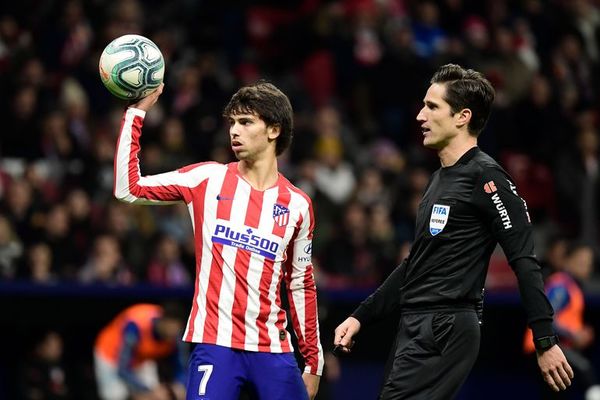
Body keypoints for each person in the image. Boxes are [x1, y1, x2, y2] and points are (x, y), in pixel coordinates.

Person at [333, 63, 573, 399]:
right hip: (415, 324)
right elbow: (416, 263)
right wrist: (361, 316)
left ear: (462, 117)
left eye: (432, 107)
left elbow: (524, 261)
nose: (420, 116)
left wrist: (545, 340)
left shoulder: (488, 179)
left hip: (446, 326)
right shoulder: (437, 181)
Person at [114, 82, 323, 399]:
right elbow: (128, 188)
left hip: (273, 348)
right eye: (232, 122)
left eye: (246, 122)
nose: (234, 131)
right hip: (215, 344)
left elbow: (300, 284)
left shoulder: (298, 205)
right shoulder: (206, 179)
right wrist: (136, 113)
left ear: (274, 130)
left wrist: (313, 361)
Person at [524, 242, 600, 400]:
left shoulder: (571, 286)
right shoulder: (561, 284)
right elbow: (548, 319)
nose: (585, 267)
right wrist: (574, 335)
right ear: (568, 261)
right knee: (586, 371)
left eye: (588, 264)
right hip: (543, 346)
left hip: (556, 346)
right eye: (580, 262)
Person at [94, 303, 187, 400]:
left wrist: (179, 384)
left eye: (176, 328)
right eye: (170, 327)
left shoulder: (176, 334)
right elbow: (123, 369)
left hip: (141, 358)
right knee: (116, 396)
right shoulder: (136, 326)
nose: (173, 332)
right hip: (111, 356)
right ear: (162, 322)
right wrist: (147, 390)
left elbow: (182, 366)